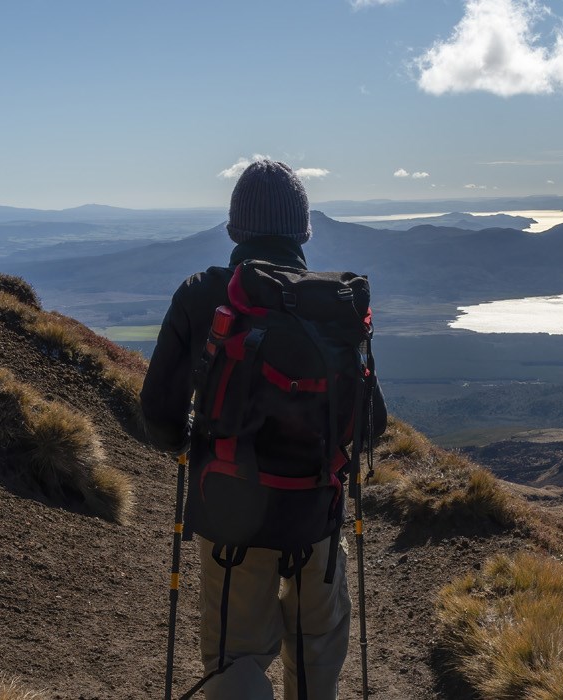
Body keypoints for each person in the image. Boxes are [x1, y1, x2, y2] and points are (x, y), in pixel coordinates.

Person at [141, 159, 386, 700]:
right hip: (315, 514)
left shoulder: (202, 294)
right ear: (303, 231)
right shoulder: (334, 304)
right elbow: (372, 427)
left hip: (231, 517)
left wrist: (193, 435)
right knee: (317, 649)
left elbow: (158, 417)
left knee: (237, 657)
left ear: (234, 229)